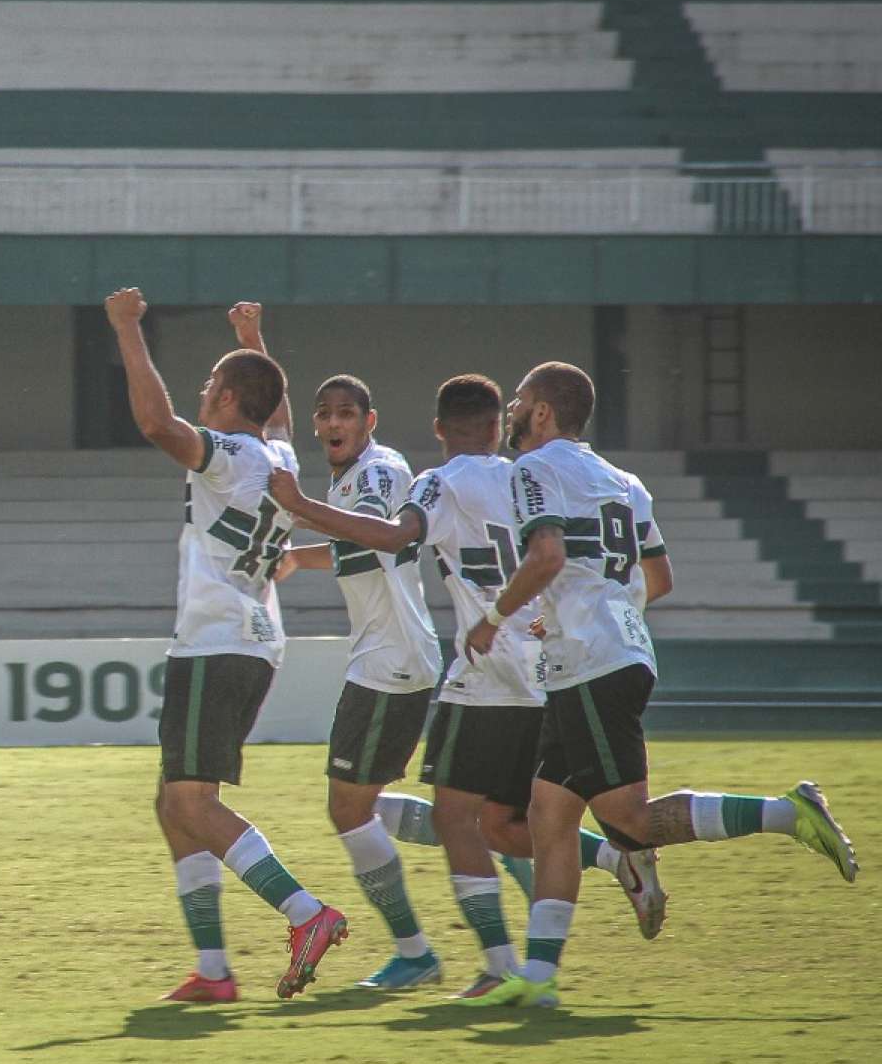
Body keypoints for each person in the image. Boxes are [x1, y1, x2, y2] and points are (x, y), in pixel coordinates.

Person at [456, 363, 858, 1008]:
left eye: (521, 403)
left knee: (631, 822)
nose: (512, 415)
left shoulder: (535, 469)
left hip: (589, 662)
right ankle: (537, 978)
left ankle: (789, 811)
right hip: (604, 653)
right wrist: (586, 610)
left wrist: (494, 618)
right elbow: (659, 579)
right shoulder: (624, 481)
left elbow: (547, 557)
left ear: (540, 412)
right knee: (549, 814)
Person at [268, 375, 664, 1000]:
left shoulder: (436, 482)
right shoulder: (528, 477)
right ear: (493, 425)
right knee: (510, 824)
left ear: (437, 429)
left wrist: (299, 505)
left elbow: (395, 538)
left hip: (484, 674)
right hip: (548, 670)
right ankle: (611, 867)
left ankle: (495, 963)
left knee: (457, 817)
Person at [104, 288, 349, 1003]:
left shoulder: (228, 453)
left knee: (189, 798)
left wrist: (126, 329)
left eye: (211, 383)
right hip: (250, 638)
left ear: (229, 396)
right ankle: (214, 971)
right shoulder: (275, 454)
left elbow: (154, 422)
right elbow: (277, 408)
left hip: (217, 640)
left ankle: (307, 913)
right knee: (173, 800)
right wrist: (254, 338)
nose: (201, 392)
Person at [274, 376, 444, 990]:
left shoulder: (376, 472)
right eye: (322, 414)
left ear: (369, 420)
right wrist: (301, 554)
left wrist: (298, 508)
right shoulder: (353, 479)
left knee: (347, 810)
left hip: (388, 663)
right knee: (362, 807)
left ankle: (416, 954)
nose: (331, 422)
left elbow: (371, 531)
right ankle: (500, 834)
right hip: (393, 658)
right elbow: (358, 547)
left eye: (345, 412)